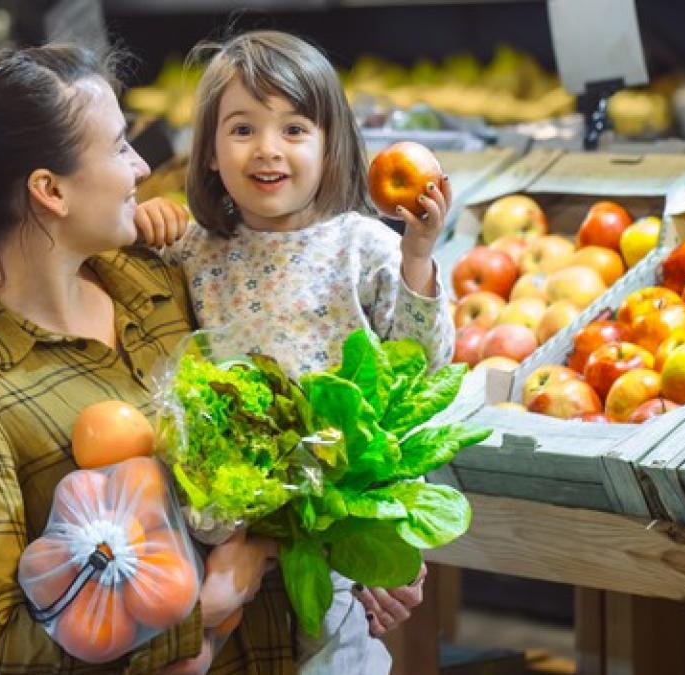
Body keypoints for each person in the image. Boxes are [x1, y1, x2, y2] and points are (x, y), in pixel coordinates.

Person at [0, 44, 291, 674]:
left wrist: (355, 560)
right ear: (49, 190)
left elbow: (274, 438)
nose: (142, 166)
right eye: (119, 146)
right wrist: (205, 606)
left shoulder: (157, 283)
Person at [138, 30, 452, 674]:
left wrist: (418, 256)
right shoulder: (198, 249)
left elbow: (418, 365)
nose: (268, 150)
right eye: (243, 129)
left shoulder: (362, 245)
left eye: (294, 130)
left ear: (331, 144)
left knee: (334, 648)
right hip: (232, 518)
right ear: (208, 153)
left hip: (333, 504)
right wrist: (149, 223)